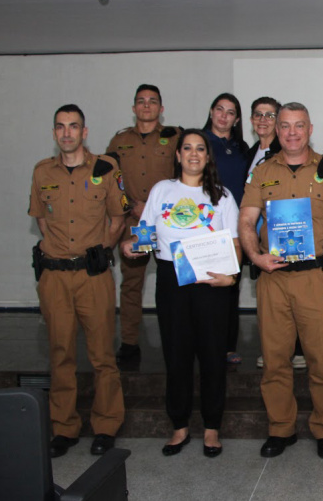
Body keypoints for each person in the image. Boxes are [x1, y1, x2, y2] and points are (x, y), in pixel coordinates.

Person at [239, 102, 323, 460]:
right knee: (275, 361)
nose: (291, 132)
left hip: (316, 280)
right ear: (276, 130)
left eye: (298, 125)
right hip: (273, 280)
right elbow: (246, 220)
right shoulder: (262, 171)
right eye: (284, 125)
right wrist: (255, 256)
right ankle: (281, 428)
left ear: (310, 129)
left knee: (321, 361)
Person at [121, 129, 240, 458]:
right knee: (177, 355)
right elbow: (145, 236)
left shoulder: (222, 196)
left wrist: (229, 279)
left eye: (200, 148)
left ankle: (212, 428)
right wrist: (133, 246)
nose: (193, 153)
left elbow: (234, 244)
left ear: (207, 156)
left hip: (210, 284)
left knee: (213, 356)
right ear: (177, 155)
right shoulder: (162, 191)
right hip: (171, 281)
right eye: (186, 148)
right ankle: (180, 426)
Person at [29, 104, 128, 458]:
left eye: (73, 127)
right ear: (54, 133)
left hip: (92, 276)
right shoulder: (42, 172)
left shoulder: (106, 168)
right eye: (60, 127)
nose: (67, 133)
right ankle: (64, 427)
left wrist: (105, 247)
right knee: (60, 354)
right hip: (55, 276)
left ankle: (106, 425)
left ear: (85, 132)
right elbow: (42, 221)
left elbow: (118, 215)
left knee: (102, 355)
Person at [106, 84, 181, 363]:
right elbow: (111, 182)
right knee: (132, 283)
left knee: (175, 283)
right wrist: (131, 208)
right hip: (134, 223)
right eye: (141, 101)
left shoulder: (175, 138)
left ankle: (177, 339)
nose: (146, 106)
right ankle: (128, 342)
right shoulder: (119, 141)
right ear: (134, 107)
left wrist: (153, 209)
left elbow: (186, 176)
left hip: (169, 224)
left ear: (161, 109)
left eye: (152, 101)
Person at [246, 96, 306, 370]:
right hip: (262, 243)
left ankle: (298, 349)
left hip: (299, 248)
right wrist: (253, 250)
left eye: (270, 116)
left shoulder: (314, 166)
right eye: (259, 115)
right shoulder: (250, 158)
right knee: (272, 313)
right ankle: (275, 351)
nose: (264, 121)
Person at [201, 93, 250, 365]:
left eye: (230, 112)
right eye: (219, 109)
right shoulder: (198, 143)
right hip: (203, 226)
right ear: (211, 111)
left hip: (234, 229)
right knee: (202, 288)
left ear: (237, 119)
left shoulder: (243, 148)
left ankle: (227, 346)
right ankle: (202, 345)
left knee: (230, 287)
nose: (224, 116)